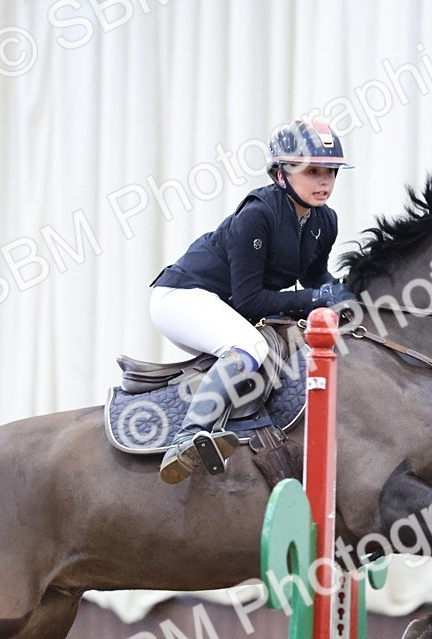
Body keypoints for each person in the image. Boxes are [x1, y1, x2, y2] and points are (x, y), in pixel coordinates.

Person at [150, 118, 355, 484]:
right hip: (180, 297)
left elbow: (314, 279)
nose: (324, 181)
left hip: (218, 304)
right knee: (249, 344)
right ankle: (185, 439)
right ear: (281, 174)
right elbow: (249, 301)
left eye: (331, 171)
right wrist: (316, 297)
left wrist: (351, 294)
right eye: (312, 171)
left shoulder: (326, 220)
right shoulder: (258, 214)